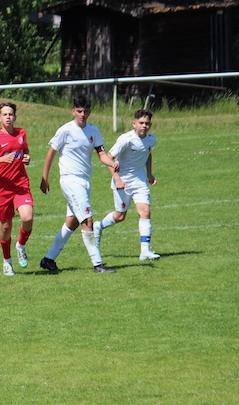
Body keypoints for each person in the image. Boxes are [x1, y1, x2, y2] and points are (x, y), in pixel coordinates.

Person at [38, 95, 120, 274]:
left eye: (85, 111)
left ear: (89, 112)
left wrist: (111, 163)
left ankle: (49, 259)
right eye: (79, 111)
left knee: (73, 222)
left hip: (84, 180)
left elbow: (101, 153)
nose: (82, 114)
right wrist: (45, 178)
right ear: (73, 111)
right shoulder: (65, 130)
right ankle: (97, 264)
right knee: (88, 220)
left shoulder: (93, 130)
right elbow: (51, 153)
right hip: (70, 179)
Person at [94, 109, 161, 261]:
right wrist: (117, 179)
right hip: (122, 182)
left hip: (140, 182)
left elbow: (147, 153)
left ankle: (145, 251)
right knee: (120, 216)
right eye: (141, 123)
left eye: (147, 123)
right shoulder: (126, 139)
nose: (144, 126)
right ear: (133, 124)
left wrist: (150, 174)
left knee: (145, 212)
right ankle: (98, 226)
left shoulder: (151, 140)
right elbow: (109, 158)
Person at [0, 102, 34, 276]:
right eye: (4, 114)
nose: (8, 117)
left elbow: (25, 150)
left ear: (15, 117)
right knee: (6, 226)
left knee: (27, 217)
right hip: (3, 188)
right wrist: (1, 160)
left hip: (20, 184)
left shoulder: (21, 133)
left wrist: (27, 157)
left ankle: (21, 245)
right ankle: (7, 261)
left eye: (11, 114)